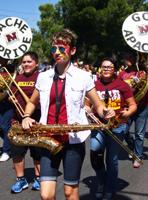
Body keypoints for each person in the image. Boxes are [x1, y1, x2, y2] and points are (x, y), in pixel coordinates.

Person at [22, 29, 115, 200]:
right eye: (53, 49)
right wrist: (26, 116)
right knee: (46, 195)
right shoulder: (43, 77)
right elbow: (31, 102)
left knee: (70, 192)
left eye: (62, 48)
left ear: (72, 50)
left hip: (74, 141)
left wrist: (105, 111)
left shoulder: (84, 76)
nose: (57, 53)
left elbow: (98, 104)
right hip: (48, 139)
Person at [89, 57, 137, 200]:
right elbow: (86, 103)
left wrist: (128, 113)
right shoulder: (93, 85)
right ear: (100, 69)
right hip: (98, 126)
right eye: (104, 67)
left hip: (118, 127)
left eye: (110, 67)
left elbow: (133, 105)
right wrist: (87, 110)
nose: (106, 69)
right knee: (95, 152)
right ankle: (101, 181)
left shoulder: (123, 85)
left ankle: (109, 188)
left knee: (112, 160)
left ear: (115, 69)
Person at [10, 51, 41, 193]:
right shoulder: (17, 77)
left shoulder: (41, 77)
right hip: (18, 120)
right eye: (24, 62)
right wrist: (11, 98)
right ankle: (21, 180)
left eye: (29, 61)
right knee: (17, 153)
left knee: (37, 152)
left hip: (37, 121)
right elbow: (10, 93)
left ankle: (38, 178)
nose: (26, 64)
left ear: (36, 63)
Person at [118, 52, 148, 168]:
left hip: (142, 107)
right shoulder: (122, 74)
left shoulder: (143, 71)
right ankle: (132, 147)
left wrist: (141, 80)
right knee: (124, 131)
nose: (128, 59)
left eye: (130, 57)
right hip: (128, 107)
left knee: (139, 134)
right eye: (126, 57)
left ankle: (138, 156)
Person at [0, 57, 14, 161]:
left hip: (6, 101)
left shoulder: (11, 68)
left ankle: (6, 151)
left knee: (5, 126)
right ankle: (9, 143)